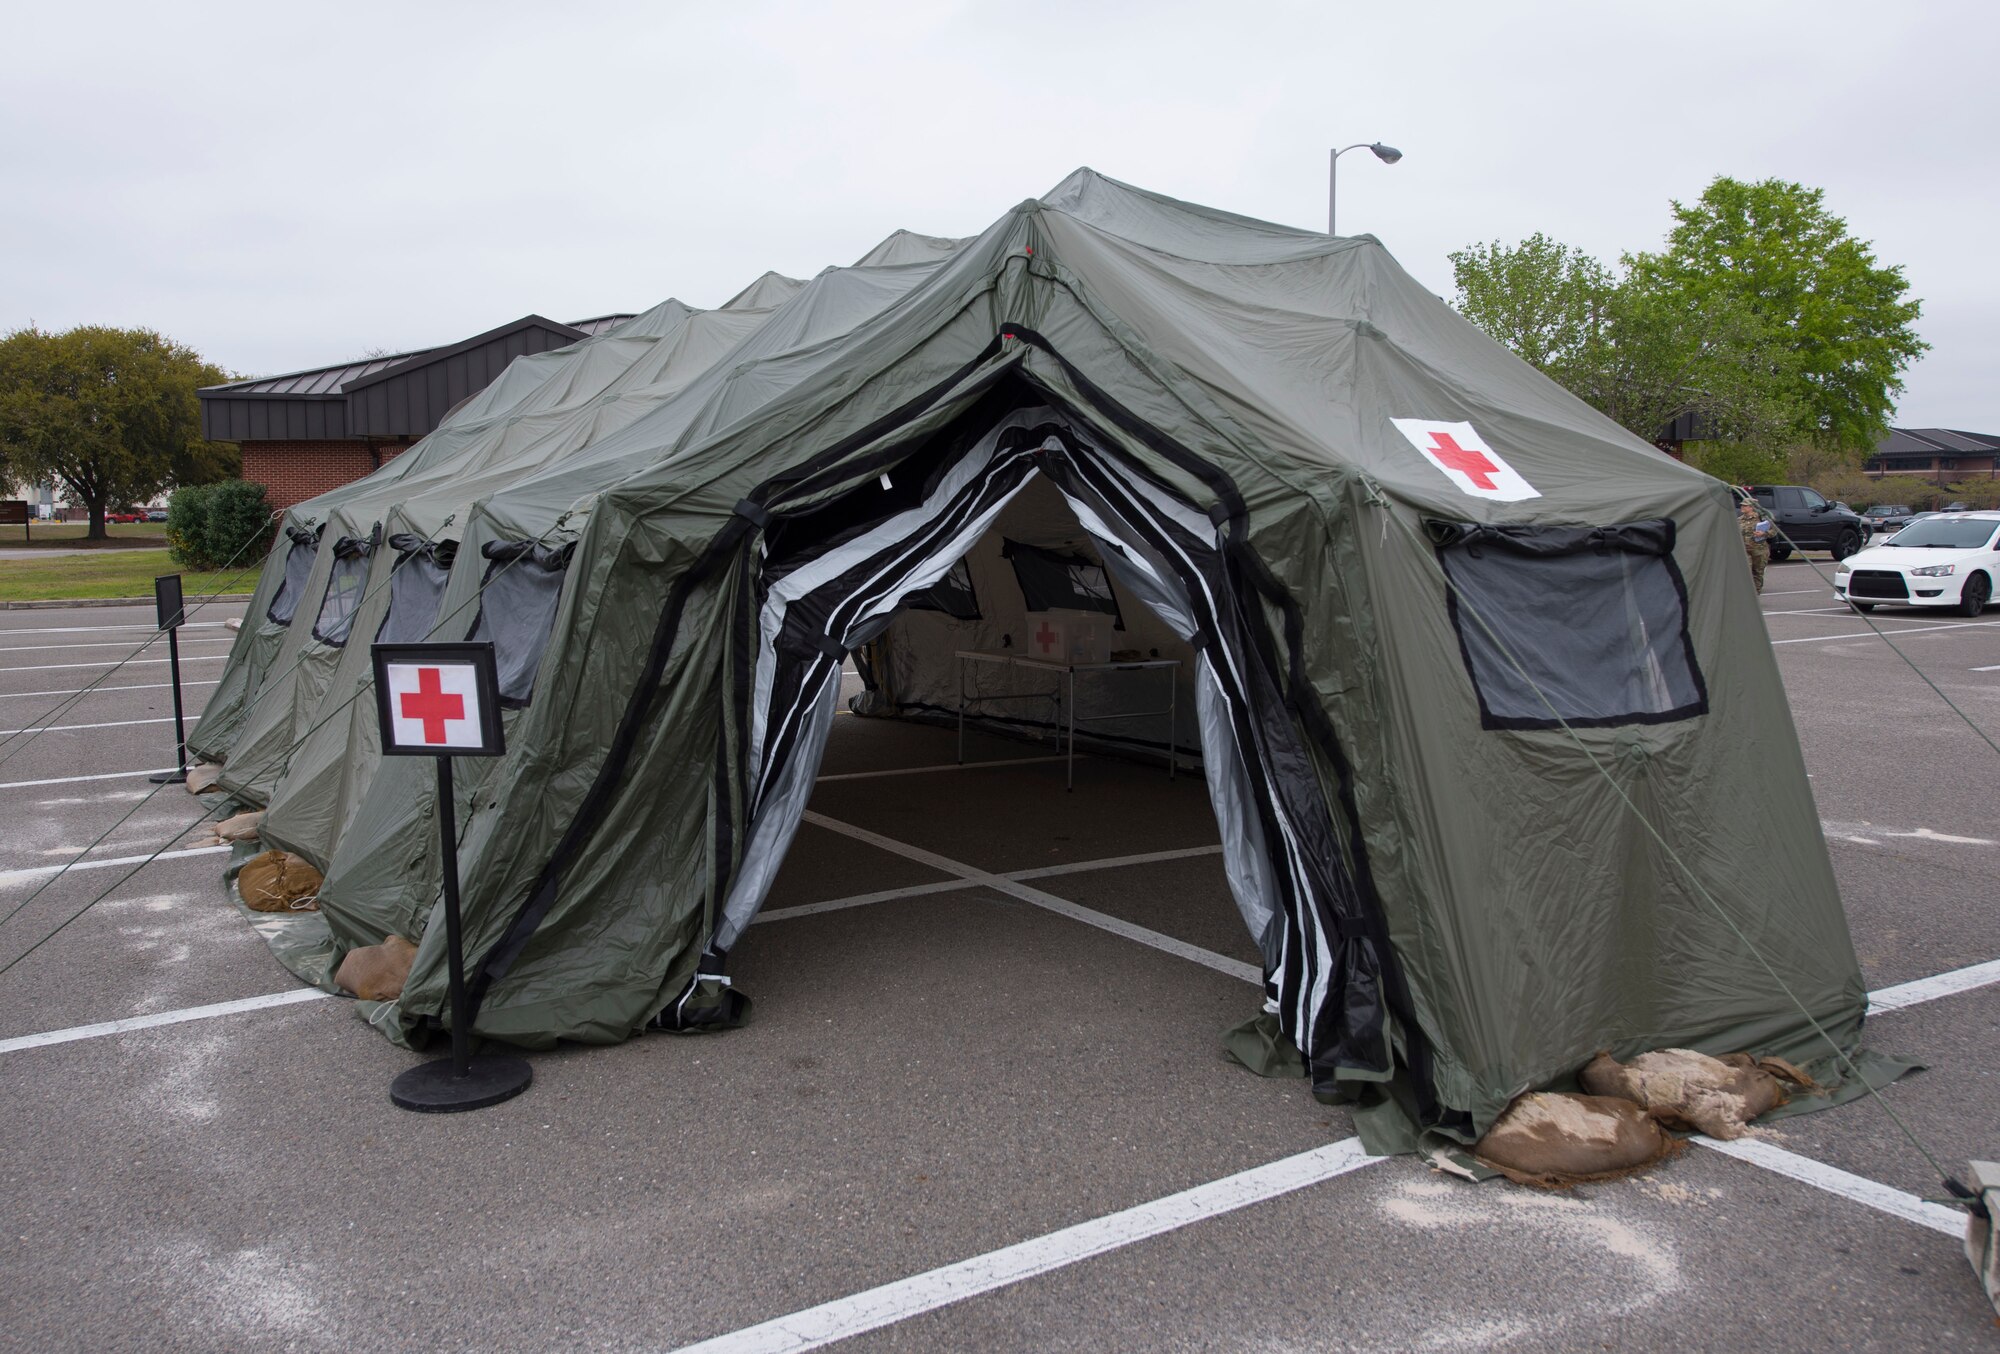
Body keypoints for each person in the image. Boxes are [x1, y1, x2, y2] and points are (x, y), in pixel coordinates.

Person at [1739, 493, 1770, 594]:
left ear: (1751, 507)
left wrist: (1764, 533)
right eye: (1742, 505)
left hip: (1759, 550)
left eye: (1745, 505)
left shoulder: (1761, 518)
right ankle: (1747, 594)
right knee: (1746, 573)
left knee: (1757, 572)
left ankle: (1756, 593)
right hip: (1744, 550)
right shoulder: (1739, 520)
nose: (1742, 507)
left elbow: (1774, 531)